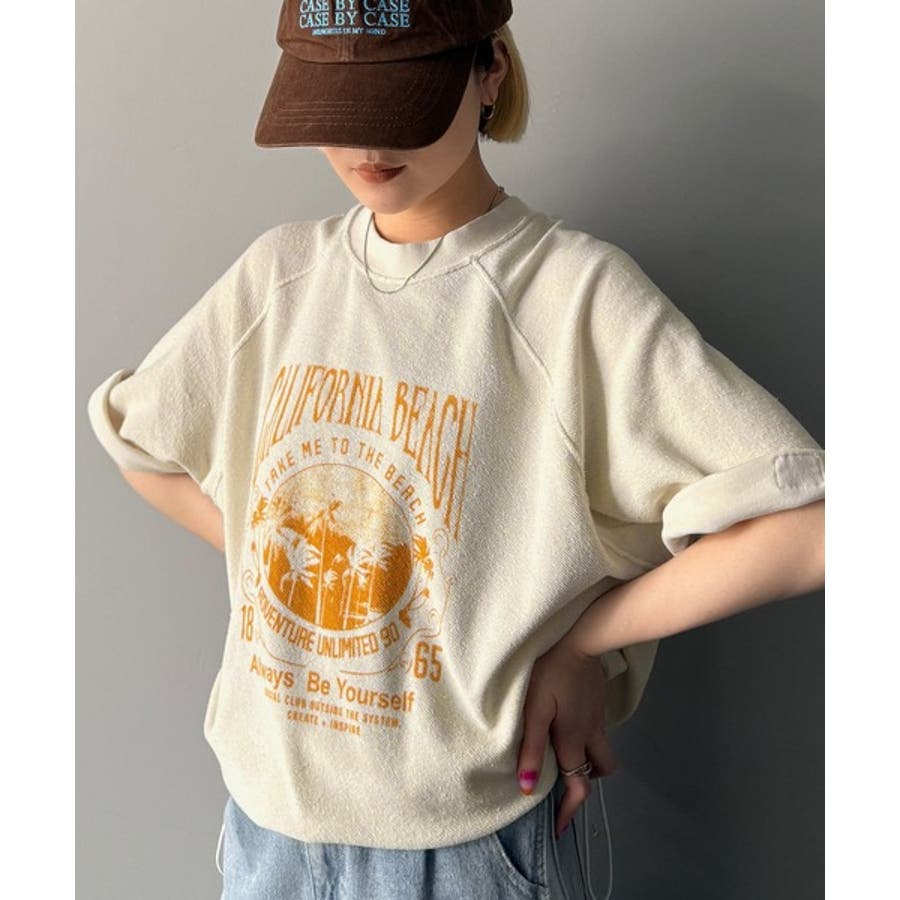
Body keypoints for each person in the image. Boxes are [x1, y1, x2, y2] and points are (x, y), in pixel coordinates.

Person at [85, 2, 825, 898]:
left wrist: (582, 643)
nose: (368, 143)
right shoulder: (281, 278)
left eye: (401, 102)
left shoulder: (570, 297)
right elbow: (141, 444)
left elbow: (809, 529)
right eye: (339, 107)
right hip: (266, 832)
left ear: (490, 72)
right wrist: (278, 565)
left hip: (468, 850)